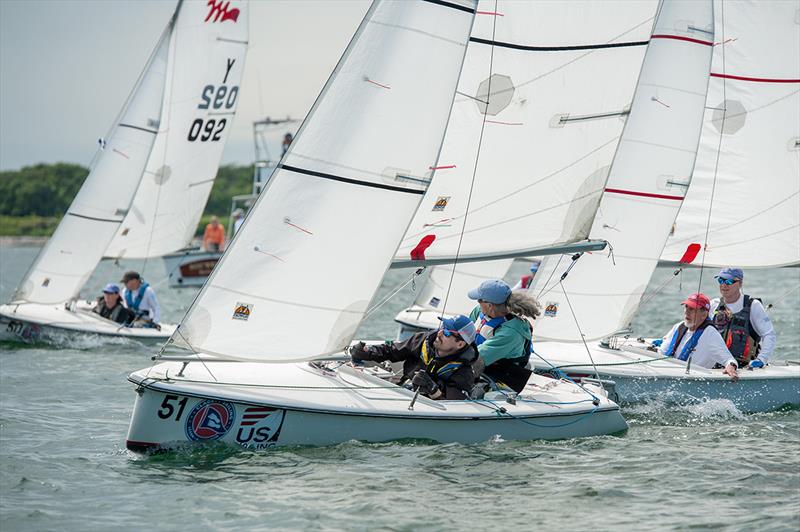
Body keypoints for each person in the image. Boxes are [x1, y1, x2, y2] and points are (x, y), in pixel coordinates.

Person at [349, 315, 478, 400]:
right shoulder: (423, 340)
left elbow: (453, 407)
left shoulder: (463, 372)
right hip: (400, 393)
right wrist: (369, 352)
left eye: (446, 333)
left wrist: (433, 390)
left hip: (422, 407)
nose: (439, 333)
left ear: (460, 344)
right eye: (442, 328)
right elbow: (393, 350)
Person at [467, 279, 541, 393]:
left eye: (479, 300)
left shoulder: (511, 332)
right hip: (478, 364)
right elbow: (461, 332)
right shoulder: (479, 311)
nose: (477, 302)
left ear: (489, 305)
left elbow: (478, 359)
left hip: (501, 377)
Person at [658, 292, 738, 381]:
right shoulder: (679, 326)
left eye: (692, 309)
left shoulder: (710, 334)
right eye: (686, 307)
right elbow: (661, 352)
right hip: (668, 375)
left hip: (690, 380)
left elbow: (729, 359)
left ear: (704, 315)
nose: (686, 312)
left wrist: (731, 366)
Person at [710, 267, 776, 369]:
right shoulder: (713, 305)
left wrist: (762, 359)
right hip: (716, 368)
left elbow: (769, 334)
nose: (724, 285)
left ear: (740, 283)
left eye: (729, 281)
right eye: (721, 280)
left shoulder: (753, 305)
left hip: (744, 368)